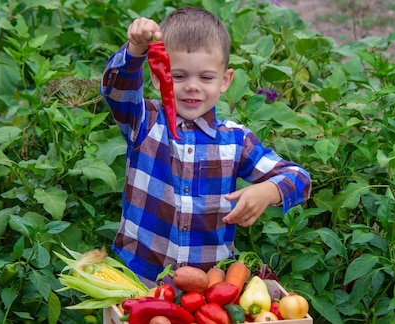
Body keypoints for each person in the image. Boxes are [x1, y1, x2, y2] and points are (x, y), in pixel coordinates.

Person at [101, 7, 312, 287]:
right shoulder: (146, 122)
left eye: (206, 77)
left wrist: (269, 190)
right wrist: (136, 48)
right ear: (157, 76)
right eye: (178, 76)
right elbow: (117, 90)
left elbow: (299, 176)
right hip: (141, 276)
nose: (192, 87)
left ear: (225, 81)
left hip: (209, 285)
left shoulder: (235, 141)